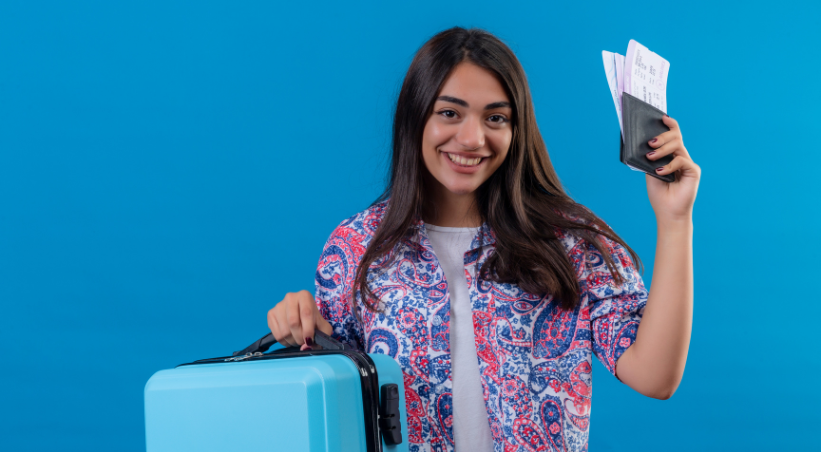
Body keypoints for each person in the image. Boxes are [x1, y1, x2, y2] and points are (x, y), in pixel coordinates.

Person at [267, 27, 699, 452]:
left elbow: (655, 377)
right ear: (416, 117)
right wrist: (300, 329)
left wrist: (675, 220)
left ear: (517, 129)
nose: (472, 139)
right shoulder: (357, 247)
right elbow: (339, 399)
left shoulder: (570, 243)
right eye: (449, 113)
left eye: (495, 118)